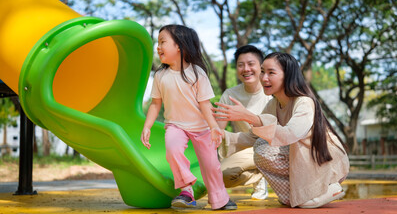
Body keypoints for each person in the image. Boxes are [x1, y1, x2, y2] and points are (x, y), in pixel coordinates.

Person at [213, 52, 349, 208]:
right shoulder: (273, 104)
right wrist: (218, 134)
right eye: (263, 71)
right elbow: (251, 137)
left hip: (325, 163)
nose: (264, 78)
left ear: (288, 75)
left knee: (263, 149)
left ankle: (327, 188)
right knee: (259, 146)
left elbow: (290, 134)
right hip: (301, 159)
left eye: (271, 73)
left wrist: (250, 117)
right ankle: (295, 197)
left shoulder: (304, 102)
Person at [141, 24, 237, 210]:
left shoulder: (197, 73)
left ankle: (220, 199)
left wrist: (214, 127)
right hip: (175, 126)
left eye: (162, 42)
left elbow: (205, 104)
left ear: (179, 46)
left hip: (201, 127)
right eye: (158, 43)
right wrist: (147, 126)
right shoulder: (161, 75)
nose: (158, 47)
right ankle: (186, 191)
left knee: (211, 165)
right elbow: (155, 103)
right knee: (172, 150)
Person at [216, 45, 271, 200]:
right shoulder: (230, 95)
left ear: (261, 67)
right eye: (241, 65)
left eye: (251, 64)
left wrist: (247, 115)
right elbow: (217, 130)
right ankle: (260, 175)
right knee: (221, 176)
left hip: (274, 148)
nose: (246, 69)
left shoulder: (272, 92)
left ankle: (272, 174)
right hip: (246, 147)